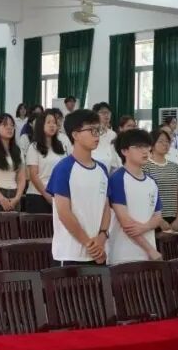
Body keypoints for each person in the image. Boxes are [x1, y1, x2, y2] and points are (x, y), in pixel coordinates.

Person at [45, 109, 110, 266]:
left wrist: (102, 237)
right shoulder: (63, 169)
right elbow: (64, 213)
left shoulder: (102, 169)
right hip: (70, 253)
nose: (96, 135)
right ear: (75, 135)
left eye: (98, 130)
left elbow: (106, 207)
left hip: (99, 251)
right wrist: (89, 244)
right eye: (91, 130)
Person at [107, 129, 164, 264]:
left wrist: (145, 227)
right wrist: (151, 250)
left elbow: (158, 217)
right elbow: (126, 222)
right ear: (124, 151)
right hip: (123, 256)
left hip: (149, 256)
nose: (145, 151)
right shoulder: (117, 179)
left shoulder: (151, 182)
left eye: (147, 146)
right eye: (138, 147)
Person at [25, 109, 67, 214]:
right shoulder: (34, 147)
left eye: (54, 123)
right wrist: (46, 195)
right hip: (38, 195)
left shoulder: (61, 146)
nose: (52, 125)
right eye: (48, 122)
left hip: (58, 195)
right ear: (41, 125)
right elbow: (33, 175)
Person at [144, 127, 178, 231]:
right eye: (161, 141)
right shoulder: (145, 166)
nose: (165, 144)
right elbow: (145, 196)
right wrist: (160, 220)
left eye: (167, 141)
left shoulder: (175, 167)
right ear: (152, 144)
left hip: (174, 218)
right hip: (153, 218)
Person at [91, 102, 119, 170]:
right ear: (95, 115)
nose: (106, 115)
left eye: (108, 113)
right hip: (94, 166)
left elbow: (114, 154)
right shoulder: (91, 132)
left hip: (110, 168)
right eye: (103, 113)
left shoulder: (113, 134)